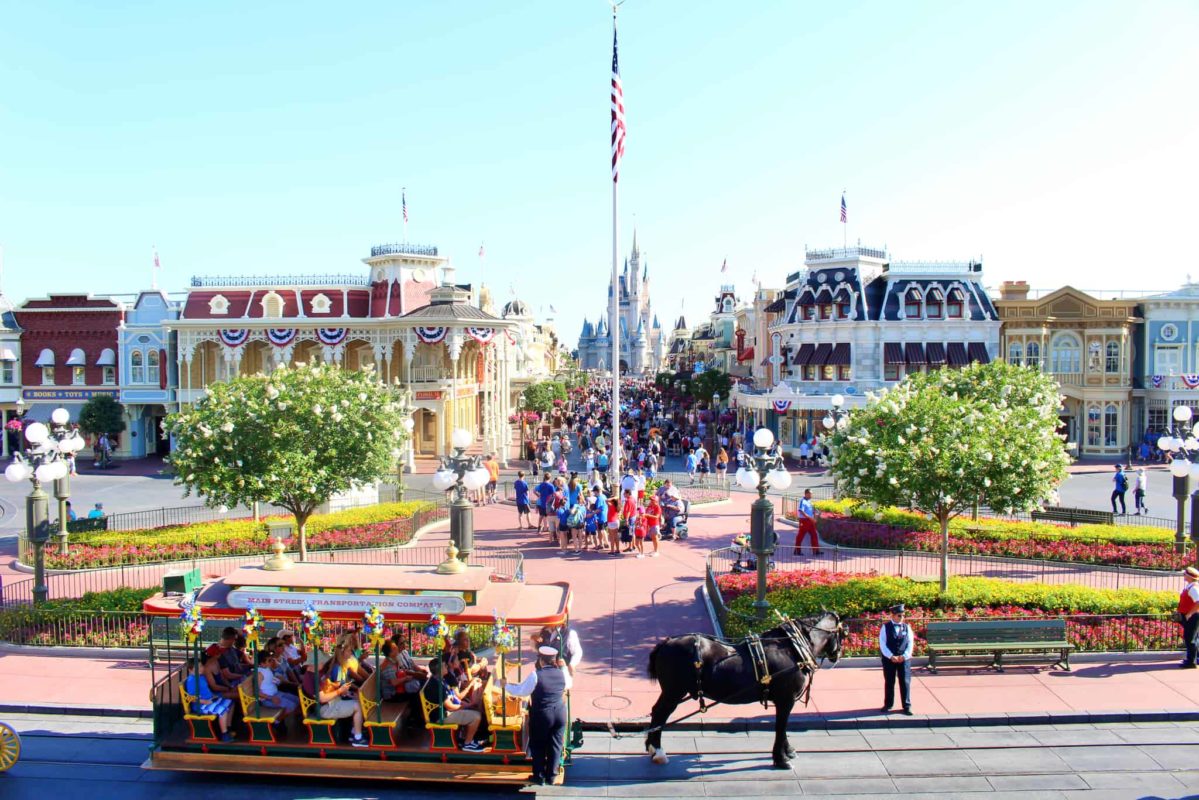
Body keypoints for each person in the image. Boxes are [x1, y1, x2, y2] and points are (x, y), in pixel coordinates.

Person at [502, 644, 572, 785]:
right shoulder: (562, 673)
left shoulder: (536, 675)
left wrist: (506, 685)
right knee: (556, 744)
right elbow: (568, 684)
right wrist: (564, 667)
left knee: (538, 744)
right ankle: (552, 775)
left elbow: (522, 691)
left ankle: (539, 776)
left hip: (542, 715)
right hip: (560, 713)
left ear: (541, 660)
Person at [423, 657, 485, 751]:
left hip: (444, 712)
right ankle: (467, 744)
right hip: (441, 717)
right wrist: (468, 705)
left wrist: (466, 704)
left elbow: (451, 697)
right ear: (440, 670)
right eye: (444, 666)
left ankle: (467, 738)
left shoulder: (440, 680)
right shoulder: (437, 686)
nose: (446, 667)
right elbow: (450, 707)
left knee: (475, 710)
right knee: (476, 716)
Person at [319, 641, 368, 746]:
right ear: (342, 653)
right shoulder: (338, 668)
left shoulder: (342, 666)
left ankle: (354, 730)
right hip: (331, 702)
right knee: (359, 705)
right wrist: (351, 693)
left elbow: (344, 685)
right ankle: (357, 737)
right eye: (349, 651)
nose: (351, 653)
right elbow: (339, 687)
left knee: (361, 700)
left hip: (336, 697)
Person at [186, 650, 236, 741]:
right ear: (190, 670)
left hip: (210, 699)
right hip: (200, 705)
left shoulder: (201, 677)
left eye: (201, 666)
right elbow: (192, 698)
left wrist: (213, 696)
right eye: (198, 667)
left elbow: (206, 690)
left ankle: (228, 727)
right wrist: (204, 701)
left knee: (230, 703)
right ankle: (224, 734)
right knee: (223, 710)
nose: (201, 668)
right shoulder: (192, 681)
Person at [879, 604, 914, 715]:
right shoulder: (885, 627)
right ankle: (888, 704)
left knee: (905, 681)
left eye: (903, 615)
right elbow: (882, 643)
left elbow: (910, 643)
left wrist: (905, 655)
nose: (901, 617)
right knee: (889, 681)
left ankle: (907, 706)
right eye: (899, 615)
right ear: (893, 616)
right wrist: (890, 656)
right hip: (890, 659)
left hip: (904, 659)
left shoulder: (907, 627)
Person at [257, 649, 300, 718]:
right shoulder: (259, 674)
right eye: (269, 660)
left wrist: (278, 680)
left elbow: (268, 680)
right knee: (292, 705)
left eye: (271, 659)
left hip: (276, 693)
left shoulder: (267, 669)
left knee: (297, 699)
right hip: (268, 699)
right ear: (262, 663)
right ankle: (277, 721)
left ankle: (292, 718)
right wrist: (271, 698)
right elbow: (257, 692)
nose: (272, 661)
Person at [1179, 567, 1199, 668]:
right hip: (1189, 615)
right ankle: (1194, 658)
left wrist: (1190, 614)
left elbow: (1198, 602)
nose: (1184, 576)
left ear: (1190, 576)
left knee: (1190, 638)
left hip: (1192, 616)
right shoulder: (1190, 586)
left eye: (1185, 574)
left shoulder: (1193, 588)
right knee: (1193, 638)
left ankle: (1191, 662)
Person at [795, 488, 820, 556]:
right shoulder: (802, 501)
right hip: (804, 521)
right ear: (806, 494)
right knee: (801, 535)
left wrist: (815, 512)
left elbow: (810, 509)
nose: (811, 495)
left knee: (814, 534)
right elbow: (801, 510)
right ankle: (797, 551)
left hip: (810, 521)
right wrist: (810, 518)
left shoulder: (809, 501)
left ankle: (816, 551)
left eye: (811, 494)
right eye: (810, 494)